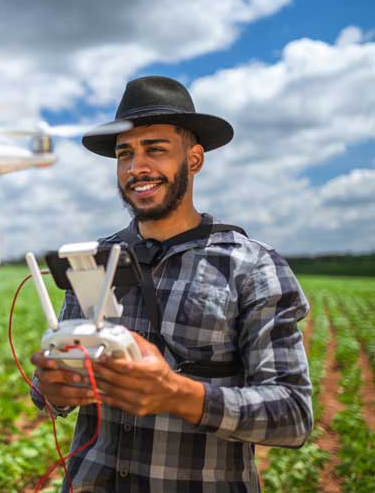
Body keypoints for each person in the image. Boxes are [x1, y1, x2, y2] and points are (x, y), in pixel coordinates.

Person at [30, 75, 312, 492]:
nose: (136, 167)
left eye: (155, 150)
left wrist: (179, 395)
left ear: (194, 159)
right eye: (125, 154)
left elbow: (292, 416)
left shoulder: (251, 266)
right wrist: (53, 388)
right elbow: (53, 389)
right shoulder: (92, 261)